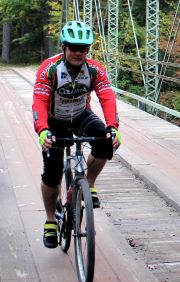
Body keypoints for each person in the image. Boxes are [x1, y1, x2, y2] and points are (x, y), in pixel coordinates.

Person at [32, 20, 121, 248]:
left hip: (81, 116)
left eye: (83, 49)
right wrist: (42, 130)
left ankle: (88, 183)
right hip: (55, 121)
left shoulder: (94, 69)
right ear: (64, 47)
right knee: (52, 173)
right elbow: (39, 102)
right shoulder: (49, 69)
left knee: (105, 140)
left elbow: (107, 97)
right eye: (73, 47)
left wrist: (113, 127)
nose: (78, 53)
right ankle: (51, 220)